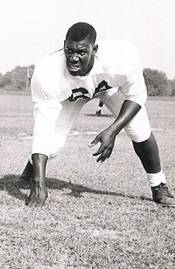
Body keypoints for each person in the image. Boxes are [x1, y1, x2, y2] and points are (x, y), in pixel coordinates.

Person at [21, 22, 174, 207]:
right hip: (72, 97)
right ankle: (32, 168)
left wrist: (113, 130)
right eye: (69, 51)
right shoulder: (47, 71)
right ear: (63, 46)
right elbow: (43, 126)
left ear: (95, 49)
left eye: (81, 52)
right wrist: (39, 183)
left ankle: (159, 185)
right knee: (52, 145)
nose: (74, 58)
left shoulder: (121, 58)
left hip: (108, 89)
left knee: (139, 129)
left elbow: (137, 96)